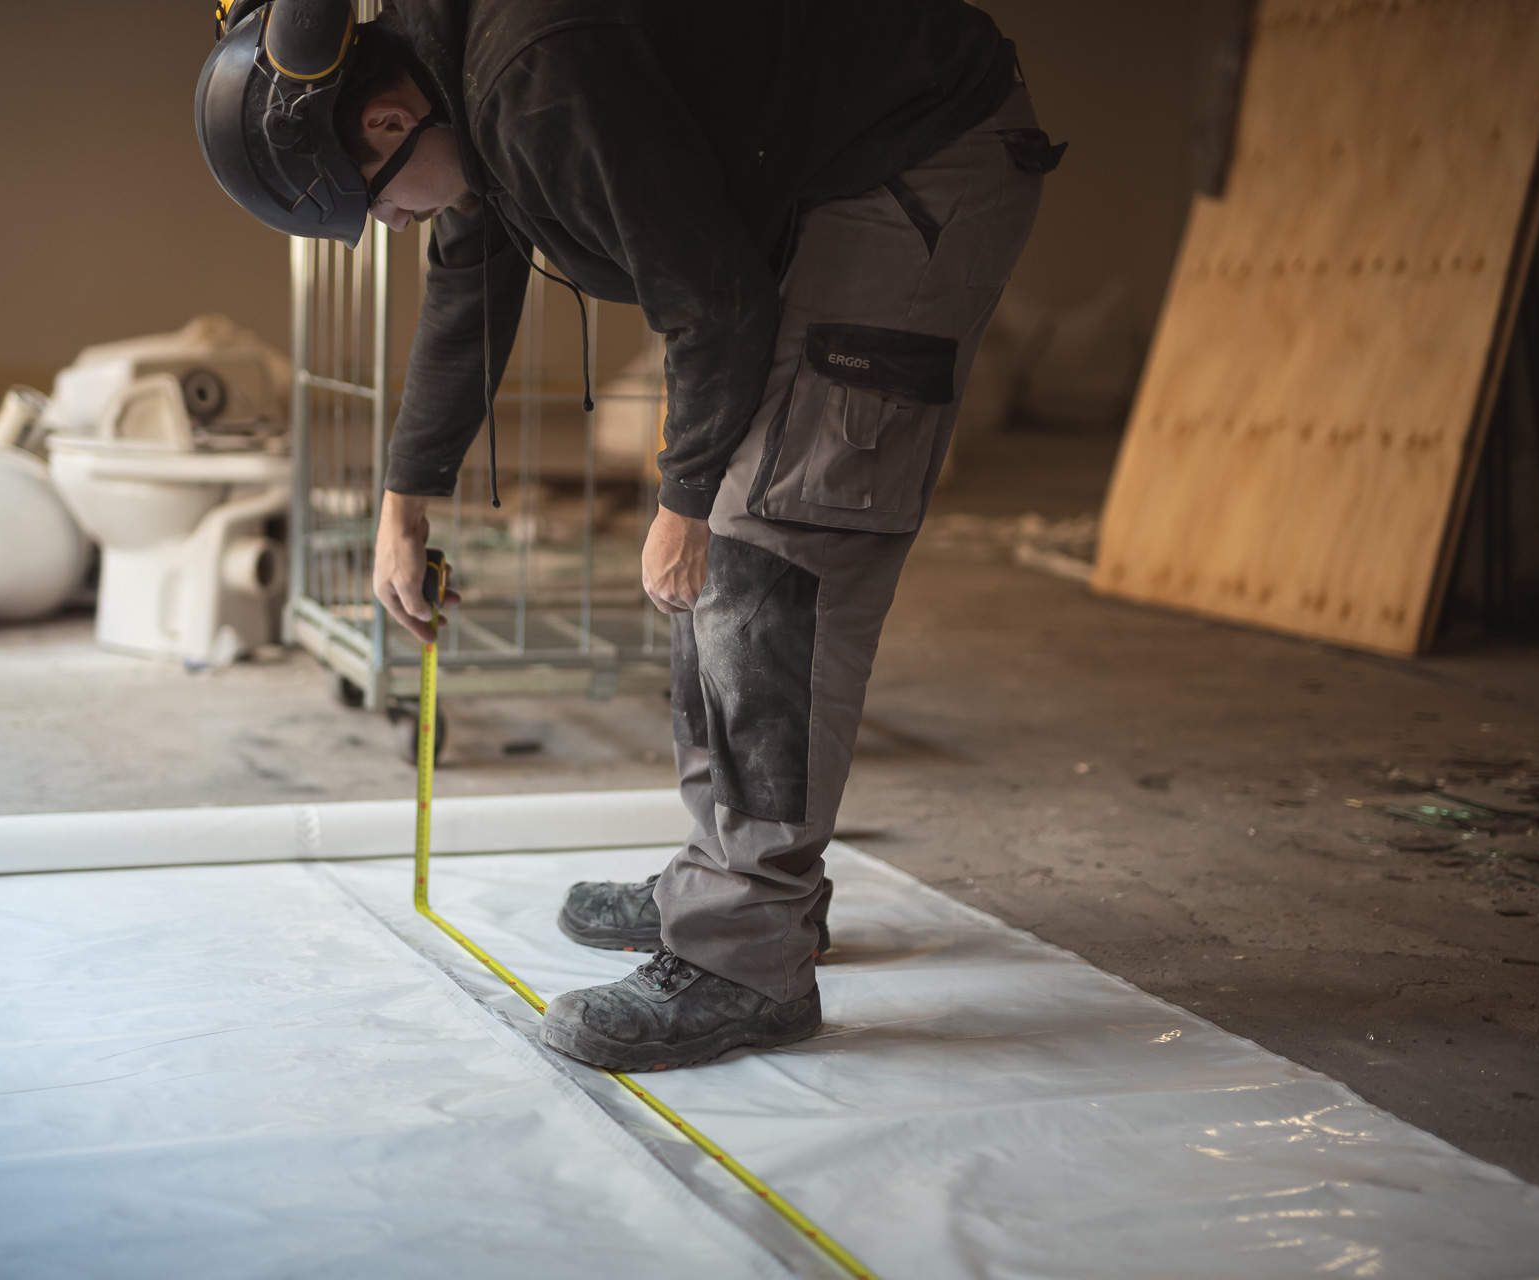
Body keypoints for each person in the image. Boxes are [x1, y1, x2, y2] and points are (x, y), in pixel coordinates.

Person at [197, 0, 1061, 1072]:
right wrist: (402, 504)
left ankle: (747, 953)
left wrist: (685, 503)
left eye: (372, 208)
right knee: (735, 545)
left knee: (772, 547)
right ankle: (735, 884)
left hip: (920, 147)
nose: (390, 224)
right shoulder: (438, 72)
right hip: (827, 157)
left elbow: (716, 304)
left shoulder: (534, 78)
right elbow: (470, 280)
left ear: (382, 125)